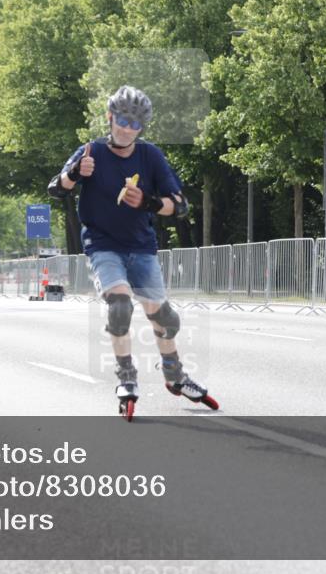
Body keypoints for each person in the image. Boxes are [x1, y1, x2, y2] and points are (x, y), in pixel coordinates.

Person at [47, 85, 217, 421]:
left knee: (165, 319)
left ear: (142, 128)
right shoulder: (90, 151)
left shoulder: (150, 156)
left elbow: (180, 205)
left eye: (135, 124)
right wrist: (73, 174)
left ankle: (174, 376)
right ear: (110, 117)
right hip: (103, 244)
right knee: (120, 305)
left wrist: (151, 203)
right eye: (122, 120)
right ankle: (126, 378)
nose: (127, 129)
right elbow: (55, 189)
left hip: (141, 247)